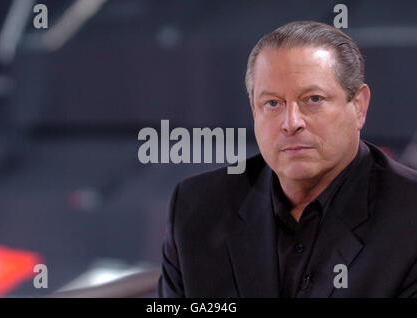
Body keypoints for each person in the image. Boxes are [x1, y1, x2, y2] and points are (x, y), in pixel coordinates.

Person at [156, 21, 417, 298]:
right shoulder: (197, 206)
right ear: (254, 111)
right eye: (272, 103)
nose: (291, 123)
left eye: (313, 99)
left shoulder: (410, 217)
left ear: (359, 106)